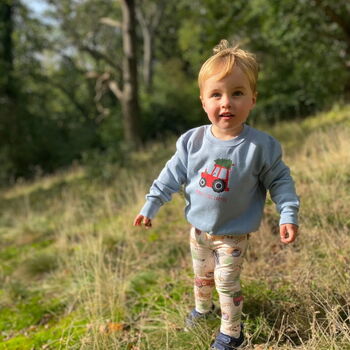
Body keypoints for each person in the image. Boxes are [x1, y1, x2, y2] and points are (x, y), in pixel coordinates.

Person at [133, 39, 299, 350]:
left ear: (252, 99)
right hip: (198, 231)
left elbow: (281, 182)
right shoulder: (192, 142)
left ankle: (232, 332)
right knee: (201, 277)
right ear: (203, 101)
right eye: (216, 95)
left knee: (225, 281)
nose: (226, 103)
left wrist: (287, 214)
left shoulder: (259, 147)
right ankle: (202, 311)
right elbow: (171, 175)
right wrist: (151, 204)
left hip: (233, 236)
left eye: (237, 93)